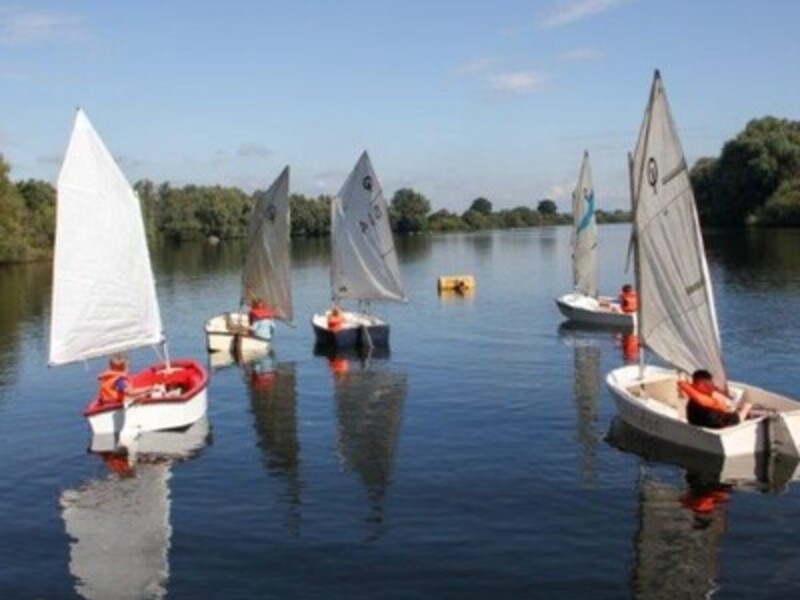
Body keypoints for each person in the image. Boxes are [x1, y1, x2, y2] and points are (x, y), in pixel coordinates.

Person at [678, 369, 752, 429]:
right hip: (713, 425)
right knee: (745, 409)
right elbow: (738, 419)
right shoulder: (711, 415)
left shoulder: (692, 402)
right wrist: (746, 407)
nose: (711, 386)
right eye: (708, 385)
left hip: (697, 422)